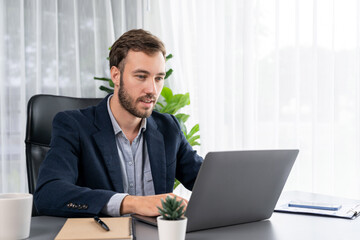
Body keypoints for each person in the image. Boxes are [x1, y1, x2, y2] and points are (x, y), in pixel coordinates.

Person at [34, 29, 203, 217]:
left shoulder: (168, 128)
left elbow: (208, 182)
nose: (152, 89)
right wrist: (133, 203)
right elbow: (48, 193)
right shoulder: (73, 126)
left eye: (159, 78)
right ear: (116, 75)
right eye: (141, 76)